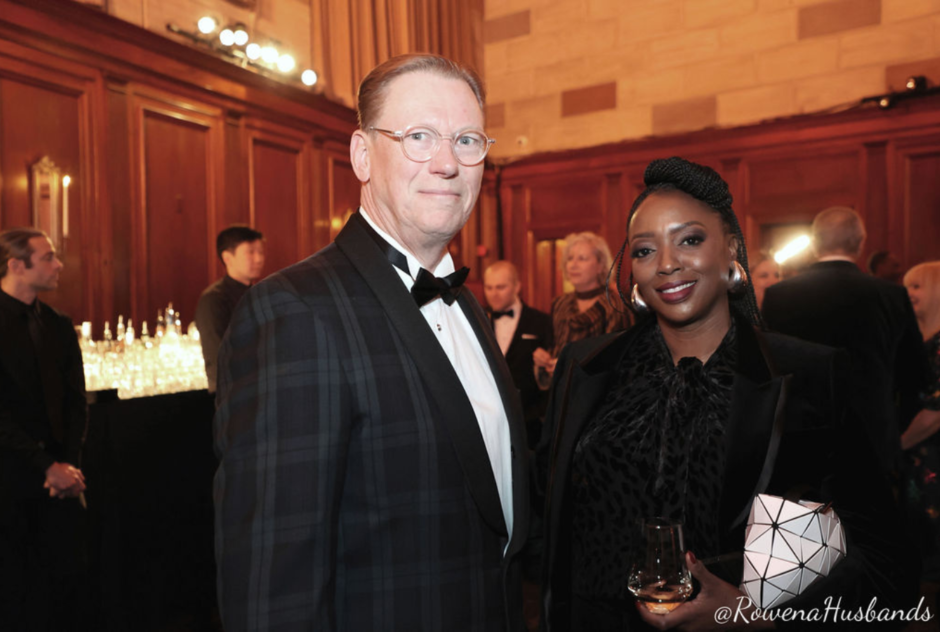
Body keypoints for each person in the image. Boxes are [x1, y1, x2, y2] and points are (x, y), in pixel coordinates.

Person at [214, 54, 529, 632]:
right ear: (362, 154)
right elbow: (274, 582)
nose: (446, 163)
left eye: (466, 140)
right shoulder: (294, 310)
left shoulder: (468, 306)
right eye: (418, 137)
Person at [537, 158, 914, 631]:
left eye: (690, 240)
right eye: (645, 250)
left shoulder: (809, 375)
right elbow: (547, 523)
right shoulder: (585, 369)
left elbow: (882, 556)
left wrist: (756, 619)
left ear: (730, 247)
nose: (668, 264)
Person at [762, 207, 925, 474]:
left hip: (800, 440)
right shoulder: (891, 295)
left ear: (815, 243)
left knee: (799, 516)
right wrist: (890, 426)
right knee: (870, 516)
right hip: (872, 440)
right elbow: (914, 373)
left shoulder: (778, 296)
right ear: (861, 242)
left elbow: (767, 371)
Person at [0, 227, 89, 631]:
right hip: (9, 477)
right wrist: (43, 465)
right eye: (49, 257)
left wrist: (67, 465)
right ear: (17, 265)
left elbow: (75, 402)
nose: (59, 265)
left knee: (61, 588)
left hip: (58, 481)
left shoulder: (57, 323)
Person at [532, 232, 630, 384]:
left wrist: (569, 367)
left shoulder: (614, 305)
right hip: (562, 395)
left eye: (582, 258)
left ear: (600, 266)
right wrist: (544, 361)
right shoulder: (559, 304)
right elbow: (554, 349)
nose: (573, 265)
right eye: (570, 258)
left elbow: (618, 360)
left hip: (601, 396)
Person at [484, 260, 553, 448]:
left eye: (501, 287)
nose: (494, 294)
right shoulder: (478, 321)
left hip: (530, 421)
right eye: (489, 288)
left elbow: (552, 374)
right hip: (489, 421)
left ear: (517, 286)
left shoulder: (542, 321)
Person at [900, 262, 940, 581]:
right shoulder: (915, 337)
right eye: (907, 286)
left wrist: (894, 447)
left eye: (917, 286)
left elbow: (934, 413)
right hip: (916, 457)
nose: (908, 293)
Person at [195, 225, 264, 394]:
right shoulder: (214, 299)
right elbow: (217, 357)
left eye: (260, 252)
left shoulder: (261, 293)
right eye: (250, 252)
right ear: (227, 257)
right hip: (233, 394)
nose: (259, 259)